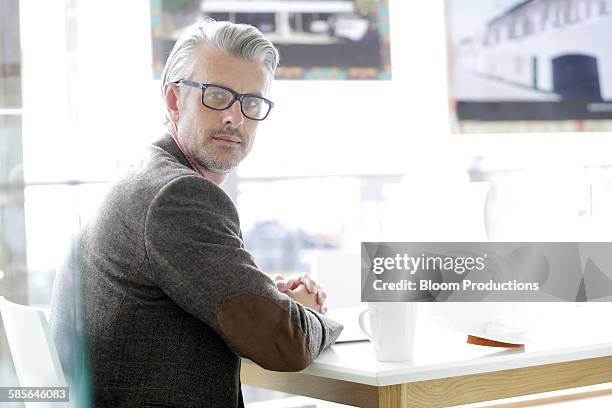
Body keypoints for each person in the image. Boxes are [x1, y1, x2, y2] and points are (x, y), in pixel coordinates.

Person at [49, 19, 343, 408]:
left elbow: (217, 298)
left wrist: (270, 299)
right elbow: (283, 343)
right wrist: (309, 314)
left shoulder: (144, 174)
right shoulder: (178, 197)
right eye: (217, 95)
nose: (234, 118)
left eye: (251, 102)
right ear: (173, 101)